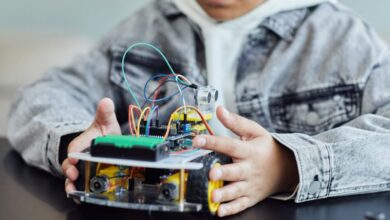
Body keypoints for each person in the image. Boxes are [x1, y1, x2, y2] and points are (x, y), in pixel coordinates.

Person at [7, 0, 390, 217]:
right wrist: (76, 141)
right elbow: (38, 96)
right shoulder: (144, 30)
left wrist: (288, 165)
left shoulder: (341, 40)